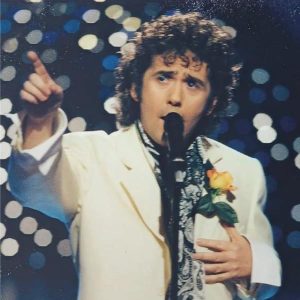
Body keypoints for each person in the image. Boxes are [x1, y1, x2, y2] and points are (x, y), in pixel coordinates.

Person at [9, 12, 281, 300]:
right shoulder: (92, 156)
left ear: (212, 102)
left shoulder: (244, 170)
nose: (175, 96)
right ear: (135, 88)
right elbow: (33, 187)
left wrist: (256, 264)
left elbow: (264, 275)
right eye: (163, 77)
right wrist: (39, 122)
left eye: (192, 83)